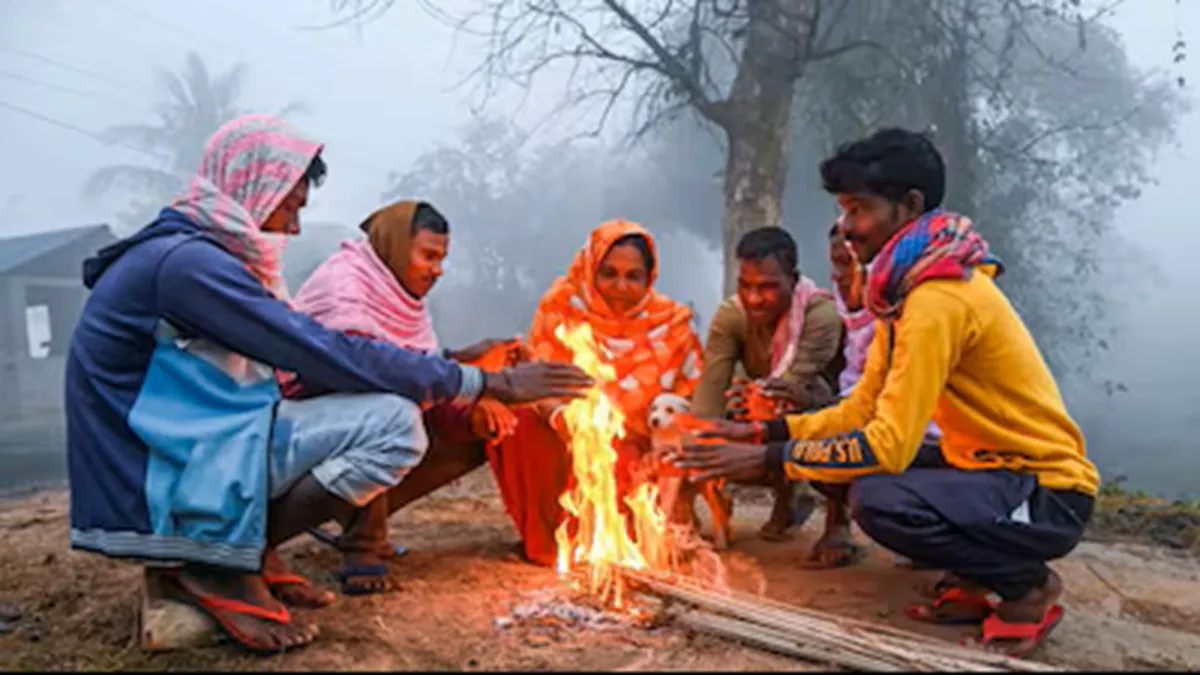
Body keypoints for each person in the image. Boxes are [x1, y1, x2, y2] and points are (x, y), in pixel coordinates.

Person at [64, 114, 592, 654]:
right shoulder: (187, 264)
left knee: (405, 411)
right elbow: (325, 355)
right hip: (155, 463)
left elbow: (360, 358)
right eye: (290, 205)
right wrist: (489, 381)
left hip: (205, 435)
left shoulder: (201, 255)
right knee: (393, 422)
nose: (293, 229)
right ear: (254, 186)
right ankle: (218, 567)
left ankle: (245, 550)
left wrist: (466, 376)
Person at [673, 128, 1099, 658]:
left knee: (881, 500)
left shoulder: (939, 299)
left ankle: (1025, 586)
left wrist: (767, 457)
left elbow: (888, 444)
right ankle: (975, 579)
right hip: (988, 466)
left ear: (910, 206)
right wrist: (764, 429)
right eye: (843, 211)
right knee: (867, 478)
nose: (846, 228)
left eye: (858, 209)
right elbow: (860, 406)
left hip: (1046, 491)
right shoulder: (909, 290)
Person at [284, 199, 525, 596]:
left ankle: (356, 513)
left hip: (374, 410)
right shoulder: (344, 283)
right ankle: (362, 541)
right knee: (388, 408)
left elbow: (416, 364)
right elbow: (368, 372)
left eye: (442, 258)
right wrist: (469, 382)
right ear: (394, 244)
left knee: (482, 424)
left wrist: (473, 388)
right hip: (305, 419)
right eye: (428, 255)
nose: (437, 270)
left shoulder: (402, 295)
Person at [486, 219, 704, 566]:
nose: (620, 286)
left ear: (650, 278)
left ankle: (632, 533)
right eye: (609, 273)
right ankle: (549, 540)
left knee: (628, 473)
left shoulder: (671, 323)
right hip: (564, 430)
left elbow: (692, 403)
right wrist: (563, 418)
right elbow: (535, 382)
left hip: (641, 444)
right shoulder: (560, 306)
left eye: (633, 276)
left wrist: (654, 449)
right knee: (518, 422)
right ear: (591, 269)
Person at [691, 227, 851, 559]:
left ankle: (836, 523)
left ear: (793, 280)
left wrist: (752, 406)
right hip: (763, 405)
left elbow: (791, 387)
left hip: (822, 408)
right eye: (745, 286)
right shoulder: (731, 316)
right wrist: (698, 447)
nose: (754, 298)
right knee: (698, 424)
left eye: (767, 287)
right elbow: (709, 392)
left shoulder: (821, 315)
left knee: (796, 406)